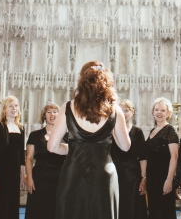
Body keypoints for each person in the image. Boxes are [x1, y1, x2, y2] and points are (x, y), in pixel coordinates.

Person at [48, 61, 131, 219]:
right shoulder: (115, 110)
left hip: (74, 174)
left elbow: (52, 147)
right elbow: (125, 147)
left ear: (82, 80)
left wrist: (73, 148)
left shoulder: (67, 107)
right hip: (104, 175)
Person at [25, 102, 68, 219]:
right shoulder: (35, 135)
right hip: (40, 179)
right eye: (48, 112)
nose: (52, 114)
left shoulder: (66, 136)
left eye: (55, 112)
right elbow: (29, 158)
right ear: (44, 116)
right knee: (38, 211)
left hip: (59, 179)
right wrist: (29, 178)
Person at [0, 96, 26, 219]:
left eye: (16, 106)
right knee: (0, 206)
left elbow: (21, 156)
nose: (14, 108)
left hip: (14, 174)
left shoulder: (21, 128)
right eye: (11, 106)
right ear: (4, 109)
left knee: (12, 206)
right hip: (1, 173)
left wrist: (22, 177)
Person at [110, 100, 148, 219]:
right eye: (120, 110)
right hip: (114, 173)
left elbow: (143, 157)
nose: (123, 113)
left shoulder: (137, 131)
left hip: (132, 175)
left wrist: (143, 178)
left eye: (126, 110)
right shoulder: (110, 131)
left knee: (131, 206)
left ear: (132, 112)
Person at [145, 97, 179, 219]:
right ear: (153, 112)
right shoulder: (152, 131)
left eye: (163, 110)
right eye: (157, 110)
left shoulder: (170, 130)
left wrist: (169, 180)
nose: (159, 112)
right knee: (154, 211)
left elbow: (174, 157)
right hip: (152, 179)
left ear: (168, 113)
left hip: (164, 178)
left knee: (164, 212)